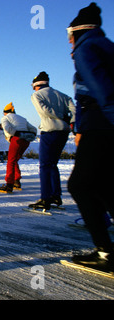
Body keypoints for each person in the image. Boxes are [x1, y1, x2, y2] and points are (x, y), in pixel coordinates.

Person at [66, 2, 114, 271]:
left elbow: (101, 91)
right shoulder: (106, 44)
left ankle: (105, 251)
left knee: (81, 185)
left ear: (75, 32)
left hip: (102, 123)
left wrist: (84, 128)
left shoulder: (85, 49)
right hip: (100, 122)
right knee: (106, 185)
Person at [28, 71, 76, 210]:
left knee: (44, 166)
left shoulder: (36, 95)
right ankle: (56, 195)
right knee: (53, 164)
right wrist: (69, 120)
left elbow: (44, 111)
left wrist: (60, 115)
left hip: (49, 131)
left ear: (36, 85)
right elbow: (74, 110)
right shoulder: (63, 96)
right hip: (64, 132)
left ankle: (45, 198)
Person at [0, 103, 37, 193]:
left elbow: (7, 128)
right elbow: (34, 129)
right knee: (15, 160)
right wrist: (29, 135)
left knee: (10, 161)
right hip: (26, 140)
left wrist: (17, 134)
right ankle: (16, 181)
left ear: (5, 112)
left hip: (17, 139)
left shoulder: (5, 118)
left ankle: (9, 185)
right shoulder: (22, 118)